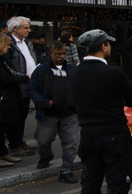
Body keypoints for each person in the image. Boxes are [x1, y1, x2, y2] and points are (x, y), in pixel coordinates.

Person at [70, 29, 132, 194]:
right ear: (103, 47)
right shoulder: (113, 73)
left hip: (88, 135)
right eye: (108, 44)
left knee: (90, 187)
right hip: (113, 133)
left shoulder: (74, 73)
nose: (110, 47)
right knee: (117, 185)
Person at [28, 41, 78, 183]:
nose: (62, 56)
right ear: (51, 53)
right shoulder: (41, 70)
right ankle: (45, 157)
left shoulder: (72, 70)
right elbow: (32, 89)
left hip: (69, 113)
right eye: (58, 54)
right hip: (48, 113)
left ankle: (66, 170)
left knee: (71, 143)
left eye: (64, 53)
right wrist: (44, 102)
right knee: (43, 141)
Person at [5, 16, 37, 157]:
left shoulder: (27, 43)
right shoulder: (8, 43)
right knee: (15, 117)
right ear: (15, 29)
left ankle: (19, 141)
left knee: (23, 114)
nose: (29, 30)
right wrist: (22, 77)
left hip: (29, 84)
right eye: (26, 28)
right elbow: (8, 68)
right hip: (17, 85)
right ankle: (14, 144)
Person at [0, 34, 29, 166]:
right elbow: (6, 78)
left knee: (4, 126)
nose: (8, 47)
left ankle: (4, 153)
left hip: (8, 98)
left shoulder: (3, 59)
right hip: (3, 98)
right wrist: (25, 78)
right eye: (6, 45)